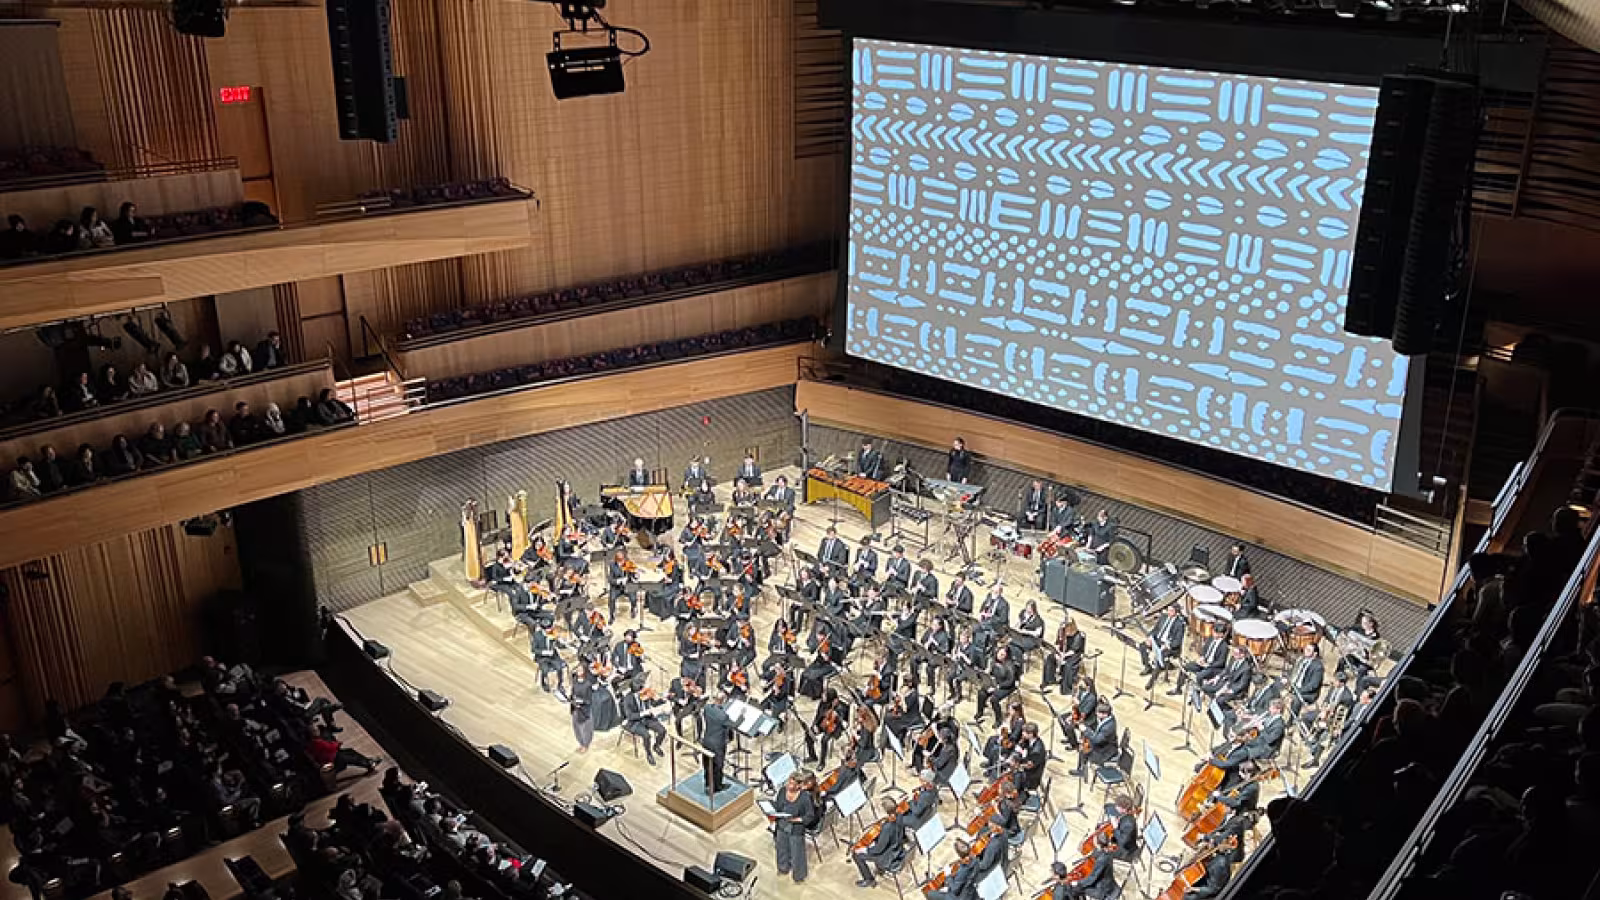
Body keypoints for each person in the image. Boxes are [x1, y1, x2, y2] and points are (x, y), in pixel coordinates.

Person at [853, 796, 908, 887]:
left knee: (856, 855)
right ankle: (879, 870)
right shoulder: (899, 815)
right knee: (873, 842)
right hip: (898, 849)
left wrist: (864, 850)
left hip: (888, 857)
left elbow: (878, 849)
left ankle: (869, 879)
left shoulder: (887, 827)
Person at [771, 772, 815, 884]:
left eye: (792, 784)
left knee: (797, 853)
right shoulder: (782, 791)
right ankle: (783, 868)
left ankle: (799, 876)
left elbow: (809, 816)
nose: (789, 786)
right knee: (781, 848)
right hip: (782, 825)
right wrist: (771, 811)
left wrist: (796, 820)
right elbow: (777, 806)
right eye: (789, 782)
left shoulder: (804, 797)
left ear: (798, 786)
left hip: (796, 828)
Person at [620, 685, 667, 766]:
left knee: (662, 730)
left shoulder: (646, 693)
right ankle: (649, 754)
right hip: (634, 722)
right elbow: (630, 716)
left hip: (647, 718)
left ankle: (656, 746)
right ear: (637, 691)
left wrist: (662, 699)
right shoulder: (628, 699)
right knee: (647, 736)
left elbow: (654, 703)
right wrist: (643, 713)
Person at [1142, 603, 1187, 688]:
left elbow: (1177, 641)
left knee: (1161, 655)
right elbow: (1155, 630)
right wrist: (1150, 638)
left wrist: (1168, 645)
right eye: (1168, 610)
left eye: (1171, 611)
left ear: (1176, 612)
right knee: (1143, 646)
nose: (1168, 612)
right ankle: (1147, 667)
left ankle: (1152, 680)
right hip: (1158, 641)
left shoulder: (1180, 624)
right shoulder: (1163, 617)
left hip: (1169, 646)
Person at [1073, 699, 1118, 778]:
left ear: (1105, 714)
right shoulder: (1109, 718)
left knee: (1084, 748)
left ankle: (1082, 771)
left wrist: (1085, 730)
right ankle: (1082, 769)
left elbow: (1096, 740)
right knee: (1084, 744)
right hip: (1104, 744)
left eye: (1098, 713)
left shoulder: (1108, 727)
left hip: (1105, 751)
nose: (1096, 714)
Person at [701, 692, 733, 794]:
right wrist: (742, 715)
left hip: (706, 741)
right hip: (718, 744)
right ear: (723, 701)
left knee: (707, 764)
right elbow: (733, 724)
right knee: (718, 766)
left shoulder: (707, 708)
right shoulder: (723, 716)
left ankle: (707, 783)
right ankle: (717, 787)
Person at [1043, 618, 1086, 693]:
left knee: (1068, 665)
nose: (1066, 631)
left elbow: (1074, 650)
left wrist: (1064, 656)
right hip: (1062, 652)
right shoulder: (1061, 631)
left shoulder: (1078, 636)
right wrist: (1057, 652)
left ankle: (1066, 688)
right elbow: (1057, 643)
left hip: (1074, 654)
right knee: (1050, 658)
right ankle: (1049, 680)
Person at [1288, 642, 1325, 712]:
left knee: (1296, 699)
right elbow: (1292, 671)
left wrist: (1299, 690)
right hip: (1294, 686)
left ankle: (1291, 720)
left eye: (1308, 650)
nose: (1305, 651)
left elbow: (1313, 685)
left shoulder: (1318, 667)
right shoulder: (1300, 660)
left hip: (1307, 693)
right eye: (1305, 649)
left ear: (1314, 654)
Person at [569, 666, 595, 752]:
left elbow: (589, 700)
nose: (578, 671)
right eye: (577, 670)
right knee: (576, 728)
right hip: (575, 708)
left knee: (585, 729)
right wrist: (572, 699)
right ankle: (581, 743)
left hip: (584, 711)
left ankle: (585, 744)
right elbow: (573, 693)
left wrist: (581, 701)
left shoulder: (587, 684)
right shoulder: (575, 682)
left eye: (580, 670)